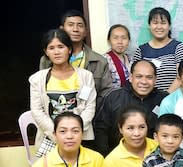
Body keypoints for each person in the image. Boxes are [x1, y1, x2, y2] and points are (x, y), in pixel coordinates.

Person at [30, 28, 96, 156]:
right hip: (50, 138)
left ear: (69, 49)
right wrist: (57, 134)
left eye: (61, 47)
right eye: (51, 48)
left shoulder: (85, 77)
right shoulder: (37, 79)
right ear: (46, 52)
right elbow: (37, 111)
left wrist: (75, 132)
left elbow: (89, 106)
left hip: (81, 138)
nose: (56, 52)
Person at [39, 9, 112, 110]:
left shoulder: (100, 61)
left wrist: (88, 110)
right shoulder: (47, 60)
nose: (75, 29)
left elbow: (106, 94)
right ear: (61, 29)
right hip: (55, 114)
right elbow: (41, 92)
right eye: (70, 25)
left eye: (80, 25)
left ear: (86, 32)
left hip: (89, 115)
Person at [94, 60, 168, 156]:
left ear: (155, 79)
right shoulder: (114, 98)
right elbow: (100, 129)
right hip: (119, 159)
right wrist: (105, 156)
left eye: (149, 77)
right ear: (131, 77)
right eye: (139, 76)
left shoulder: (164, 100)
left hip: (155, 159)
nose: (144, 81)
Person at [133, 7, 183, 93]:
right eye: (155, 23)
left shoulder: (179, 47)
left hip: (173, 99)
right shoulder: (141, 51)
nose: (159, 27)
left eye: (163, 23)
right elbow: (134, 78)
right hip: (146, 101)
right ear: (149, 25)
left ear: (169, 26)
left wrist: (164, 99)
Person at [104, 24, 132, 88]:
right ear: (109, 41)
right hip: (113, 97)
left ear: (129, 41)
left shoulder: (131, 59)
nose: (120, 42)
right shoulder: (104, 60)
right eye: (115, 38)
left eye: (124, 38)